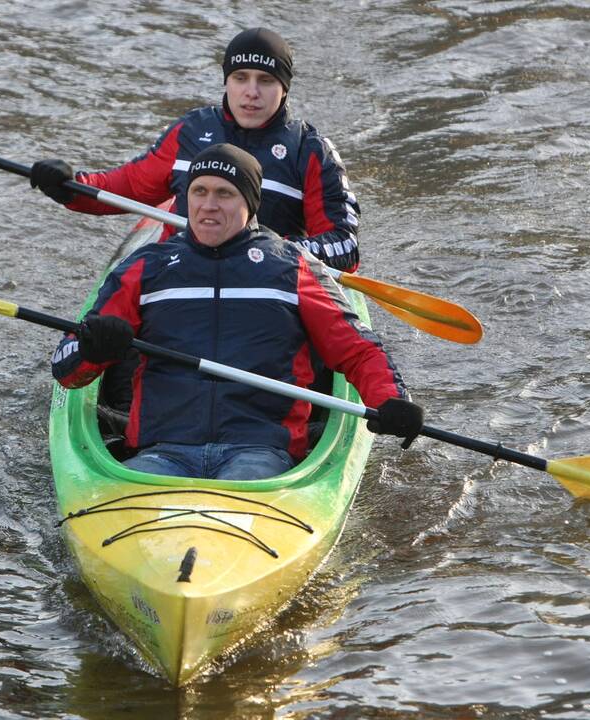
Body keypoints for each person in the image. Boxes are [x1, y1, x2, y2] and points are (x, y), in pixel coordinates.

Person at [51, 144, 421, 480]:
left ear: (250, 204)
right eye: (199, 192)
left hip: (258, 454)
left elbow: (356, 350)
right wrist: (92, 351)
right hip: (161, 454)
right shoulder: (147, 267)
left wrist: (391, 400)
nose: (208, 204)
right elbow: (67, 371)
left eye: (224, 194)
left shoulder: (292, 268)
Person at [29, 27, 361, 273]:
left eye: (266, 80)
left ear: (284, 88)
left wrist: (275, 249)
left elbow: (343, 247)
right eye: (240, 77)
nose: (251, 92)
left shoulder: (310, 149)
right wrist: (67, 186)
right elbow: (126, 187)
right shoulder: (191, 131)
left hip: (267, 277)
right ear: (226, 81)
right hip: (181, 266)